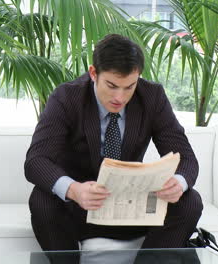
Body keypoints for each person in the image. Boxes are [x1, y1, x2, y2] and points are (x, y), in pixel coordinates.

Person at [25, 34, 203, 251]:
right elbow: (36, 161)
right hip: (81, 208)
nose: (120, 97)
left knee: (190, 201)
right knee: (42, 201)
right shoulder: (67, 97)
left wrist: (178, 183)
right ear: (93, 73)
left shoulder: (151, 96)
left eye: (129, 87)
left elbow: (186, 158)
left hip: (133, 209)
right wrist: (74, 190)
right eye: (111, 85)